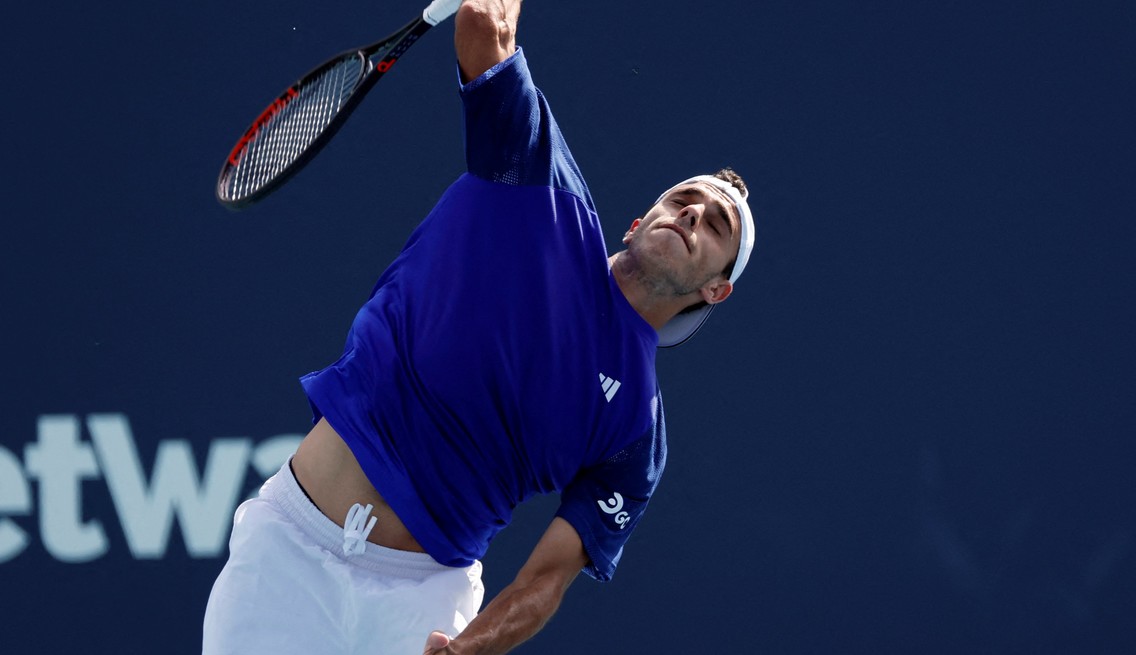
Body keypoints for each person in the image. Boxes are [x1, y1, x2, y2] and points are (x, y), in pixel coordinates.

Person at [203, 0, 756, 653]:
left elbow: (549, 576)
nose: (692, 215)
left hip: (424, 599)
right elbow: (478, 23)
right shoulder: (539, 185)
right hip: (291, 552)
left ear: (715, 289)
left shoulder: (636, 427)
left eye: (715, 224)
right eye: (682, 200)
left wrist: (472, 647)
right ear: (638, 220)